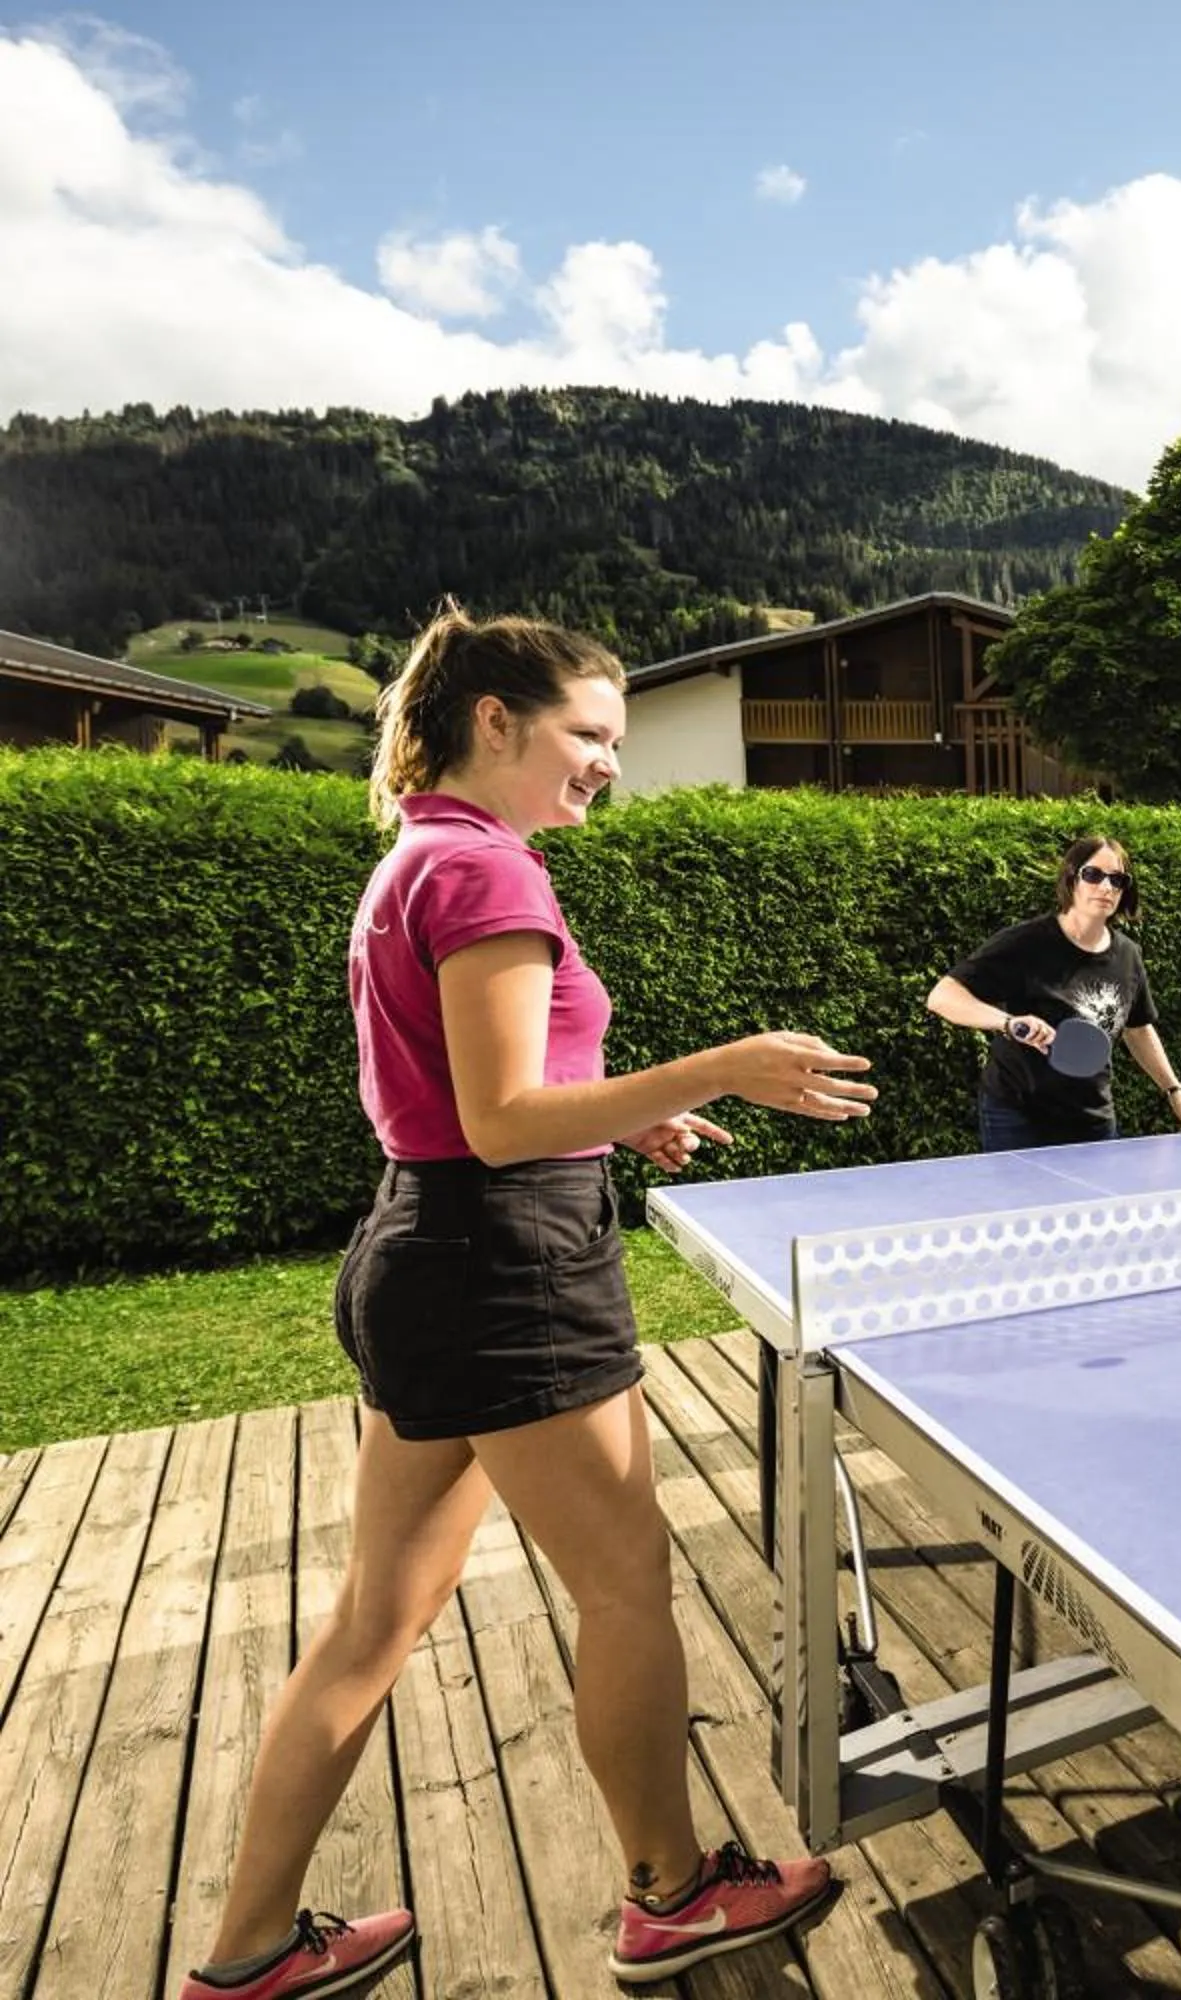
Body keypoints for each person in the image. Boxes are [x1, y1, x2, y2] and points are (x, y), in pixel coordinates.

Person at [180, 609, 875, 2000]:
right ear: (495, 721)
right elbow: (500, 1121)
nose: (608, 764)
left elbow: (476, 1106)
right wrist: (715, 1068)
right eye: (589, 736)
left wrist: (615, 1126)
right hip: (510, 1271)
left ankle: (245, 1954)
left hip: (428, 1255)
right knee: (629, 1593)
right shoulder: (491, 878)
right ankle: (672, 1897)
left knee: (372, 1624)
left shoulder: (422, 858)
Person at [925, 834, 1181, 1149]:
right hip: (1018, 1114)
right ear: (1072, 879)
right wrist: (1008, 1022)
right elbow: (943, 996)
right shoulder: (1026, 942)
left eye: (1117, 879)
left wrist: (1173, 1090)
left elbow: (1138, 1029)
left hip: (1091, 1115)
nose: (1106, 886)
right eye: (1093, 874)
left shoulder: (1128, 955)